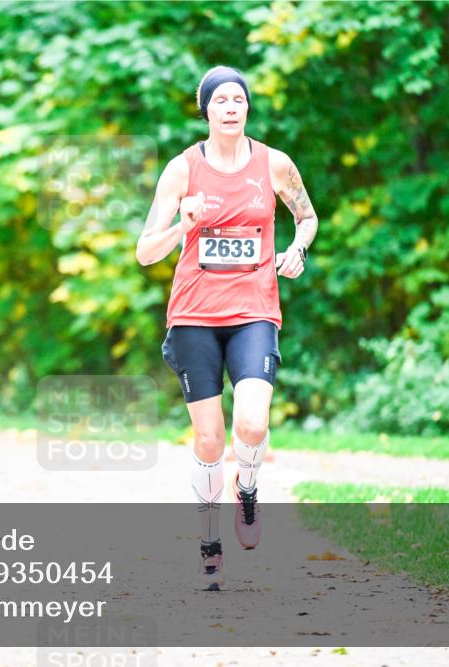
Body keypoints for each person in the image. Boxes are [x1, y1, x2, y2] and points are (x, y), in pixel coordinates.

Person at [136, 66, 318, 591]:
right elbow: (146, 252)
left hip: (254, 310)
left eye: (239, 98)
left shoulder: (275, 164)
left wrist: (297, 249)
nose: (231, 107)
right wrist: (183, 225)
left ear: (247, 108)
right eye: (221, 100)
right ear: (207, 110)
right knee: (210, 438)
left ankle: (250, 486)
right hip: (194, 315)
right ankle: (209, 538)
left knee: (254, 425)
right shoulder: (182, 170)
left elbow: (306, 217)